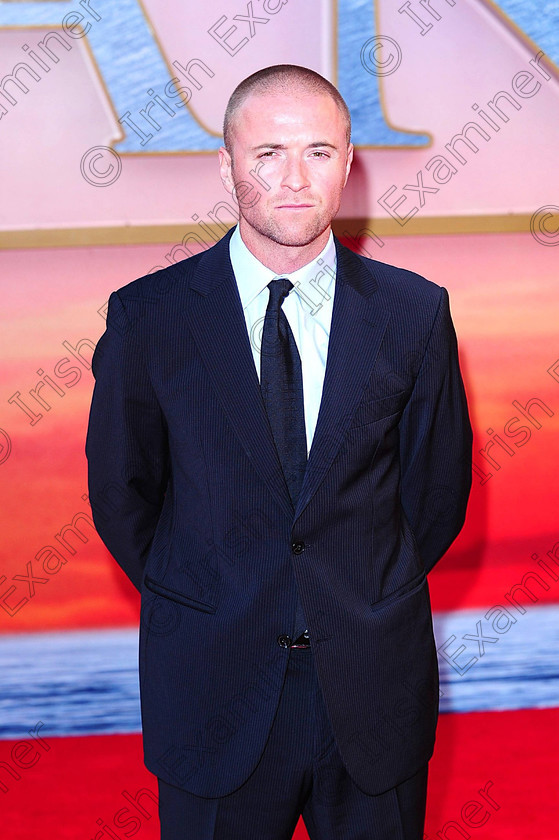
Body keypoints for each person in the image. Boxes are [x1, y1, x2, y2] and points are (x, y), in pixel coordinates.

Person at [86, 64, 472, 839]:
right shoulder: (148, 319)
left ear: (349, 162)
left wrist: (359, 591)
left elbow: (435, 496)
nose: (294, 179)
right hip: (211, 693)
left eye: (319, 152)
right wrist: (211, 598)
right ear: (225, 163)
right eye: (267, 154)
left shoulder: (413, 313)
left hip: (371, 693)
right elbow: (123, 500)